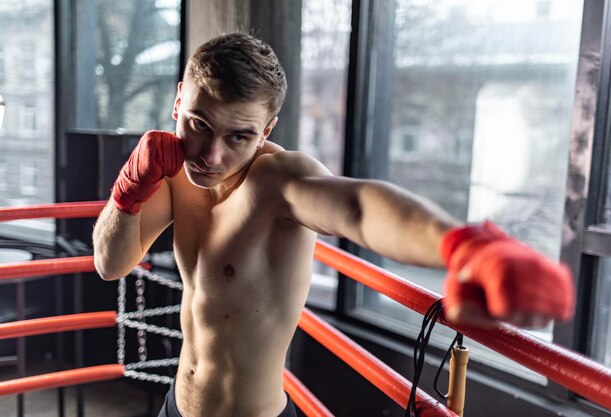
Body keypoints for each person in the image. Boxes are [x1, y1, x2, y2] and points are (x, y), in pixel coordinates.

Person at [92, 32, 574, 417]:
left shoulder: (279, 181)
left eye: (239, 136)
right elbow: (109, 264)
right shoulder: (173, 170)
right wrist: (126, 192)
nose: (211, 156)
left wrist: (462, 246)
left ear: (267, 131)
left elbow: (358, 206)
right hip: (177, 408)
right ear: (179, 101)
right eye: (199, 124)